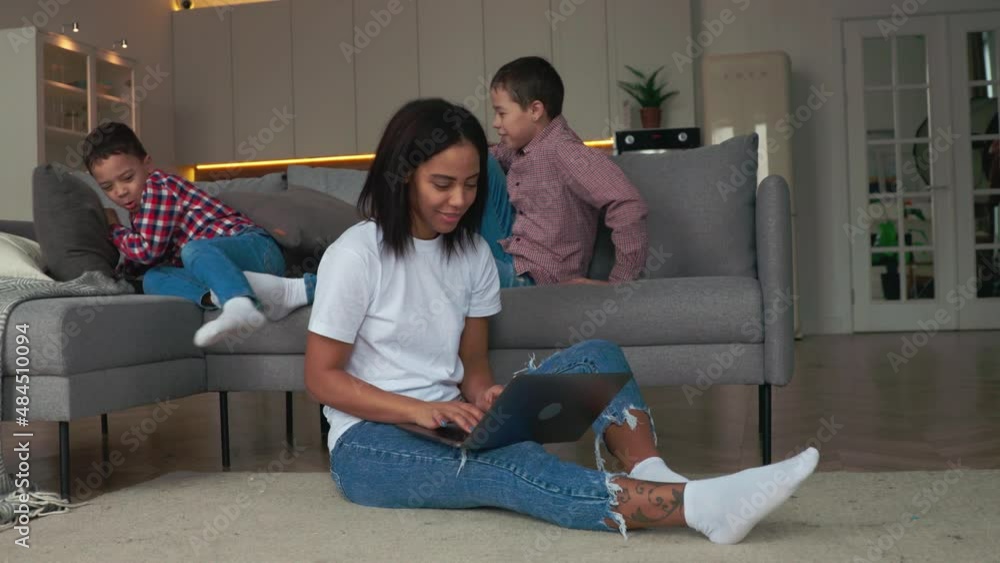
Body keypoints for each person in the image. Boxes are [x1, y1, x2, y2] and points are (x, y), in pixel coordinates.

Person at [304, 98, 818, 542]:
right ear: (403, 175)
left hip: (451, 422)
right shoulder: (356, 256)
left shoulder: (473, 255)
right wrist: (418, 410)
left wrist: (486, 396)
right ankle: (698, 507)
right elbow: (321, 378)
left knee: (598, 357)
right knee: (512, 466)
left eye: (470, 184)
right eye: (442, 184)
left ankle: (657, 476)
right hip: (369, 443)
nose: (459, 200)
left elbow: (473, 367)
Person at [82, 122, 314, 347]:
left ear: (148, 165)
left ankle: (237, 304)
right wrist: (115, 277)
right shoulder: (139, 214)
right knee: (154, 278)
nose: (121, 191)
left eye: (127, 178)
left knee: (194, 250)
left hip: (256, 249)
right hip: (228, 267)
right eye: (108, 187)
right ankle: (245, 292)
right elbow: (143, 261)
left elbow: (147, 251)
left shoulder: (158, 186)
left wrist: (114, 228)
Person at [485, 56, 649, 288]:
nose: (495, 122)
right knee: (472, 159)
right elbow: (491, 157)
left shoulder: (566, 151)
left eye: (502, 113)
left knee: (457, 271)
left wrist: (621, 284)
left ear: (535, 110)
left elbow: (627, 204)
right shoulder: (521, 146)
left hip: (539, 276)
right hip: (512, 256)